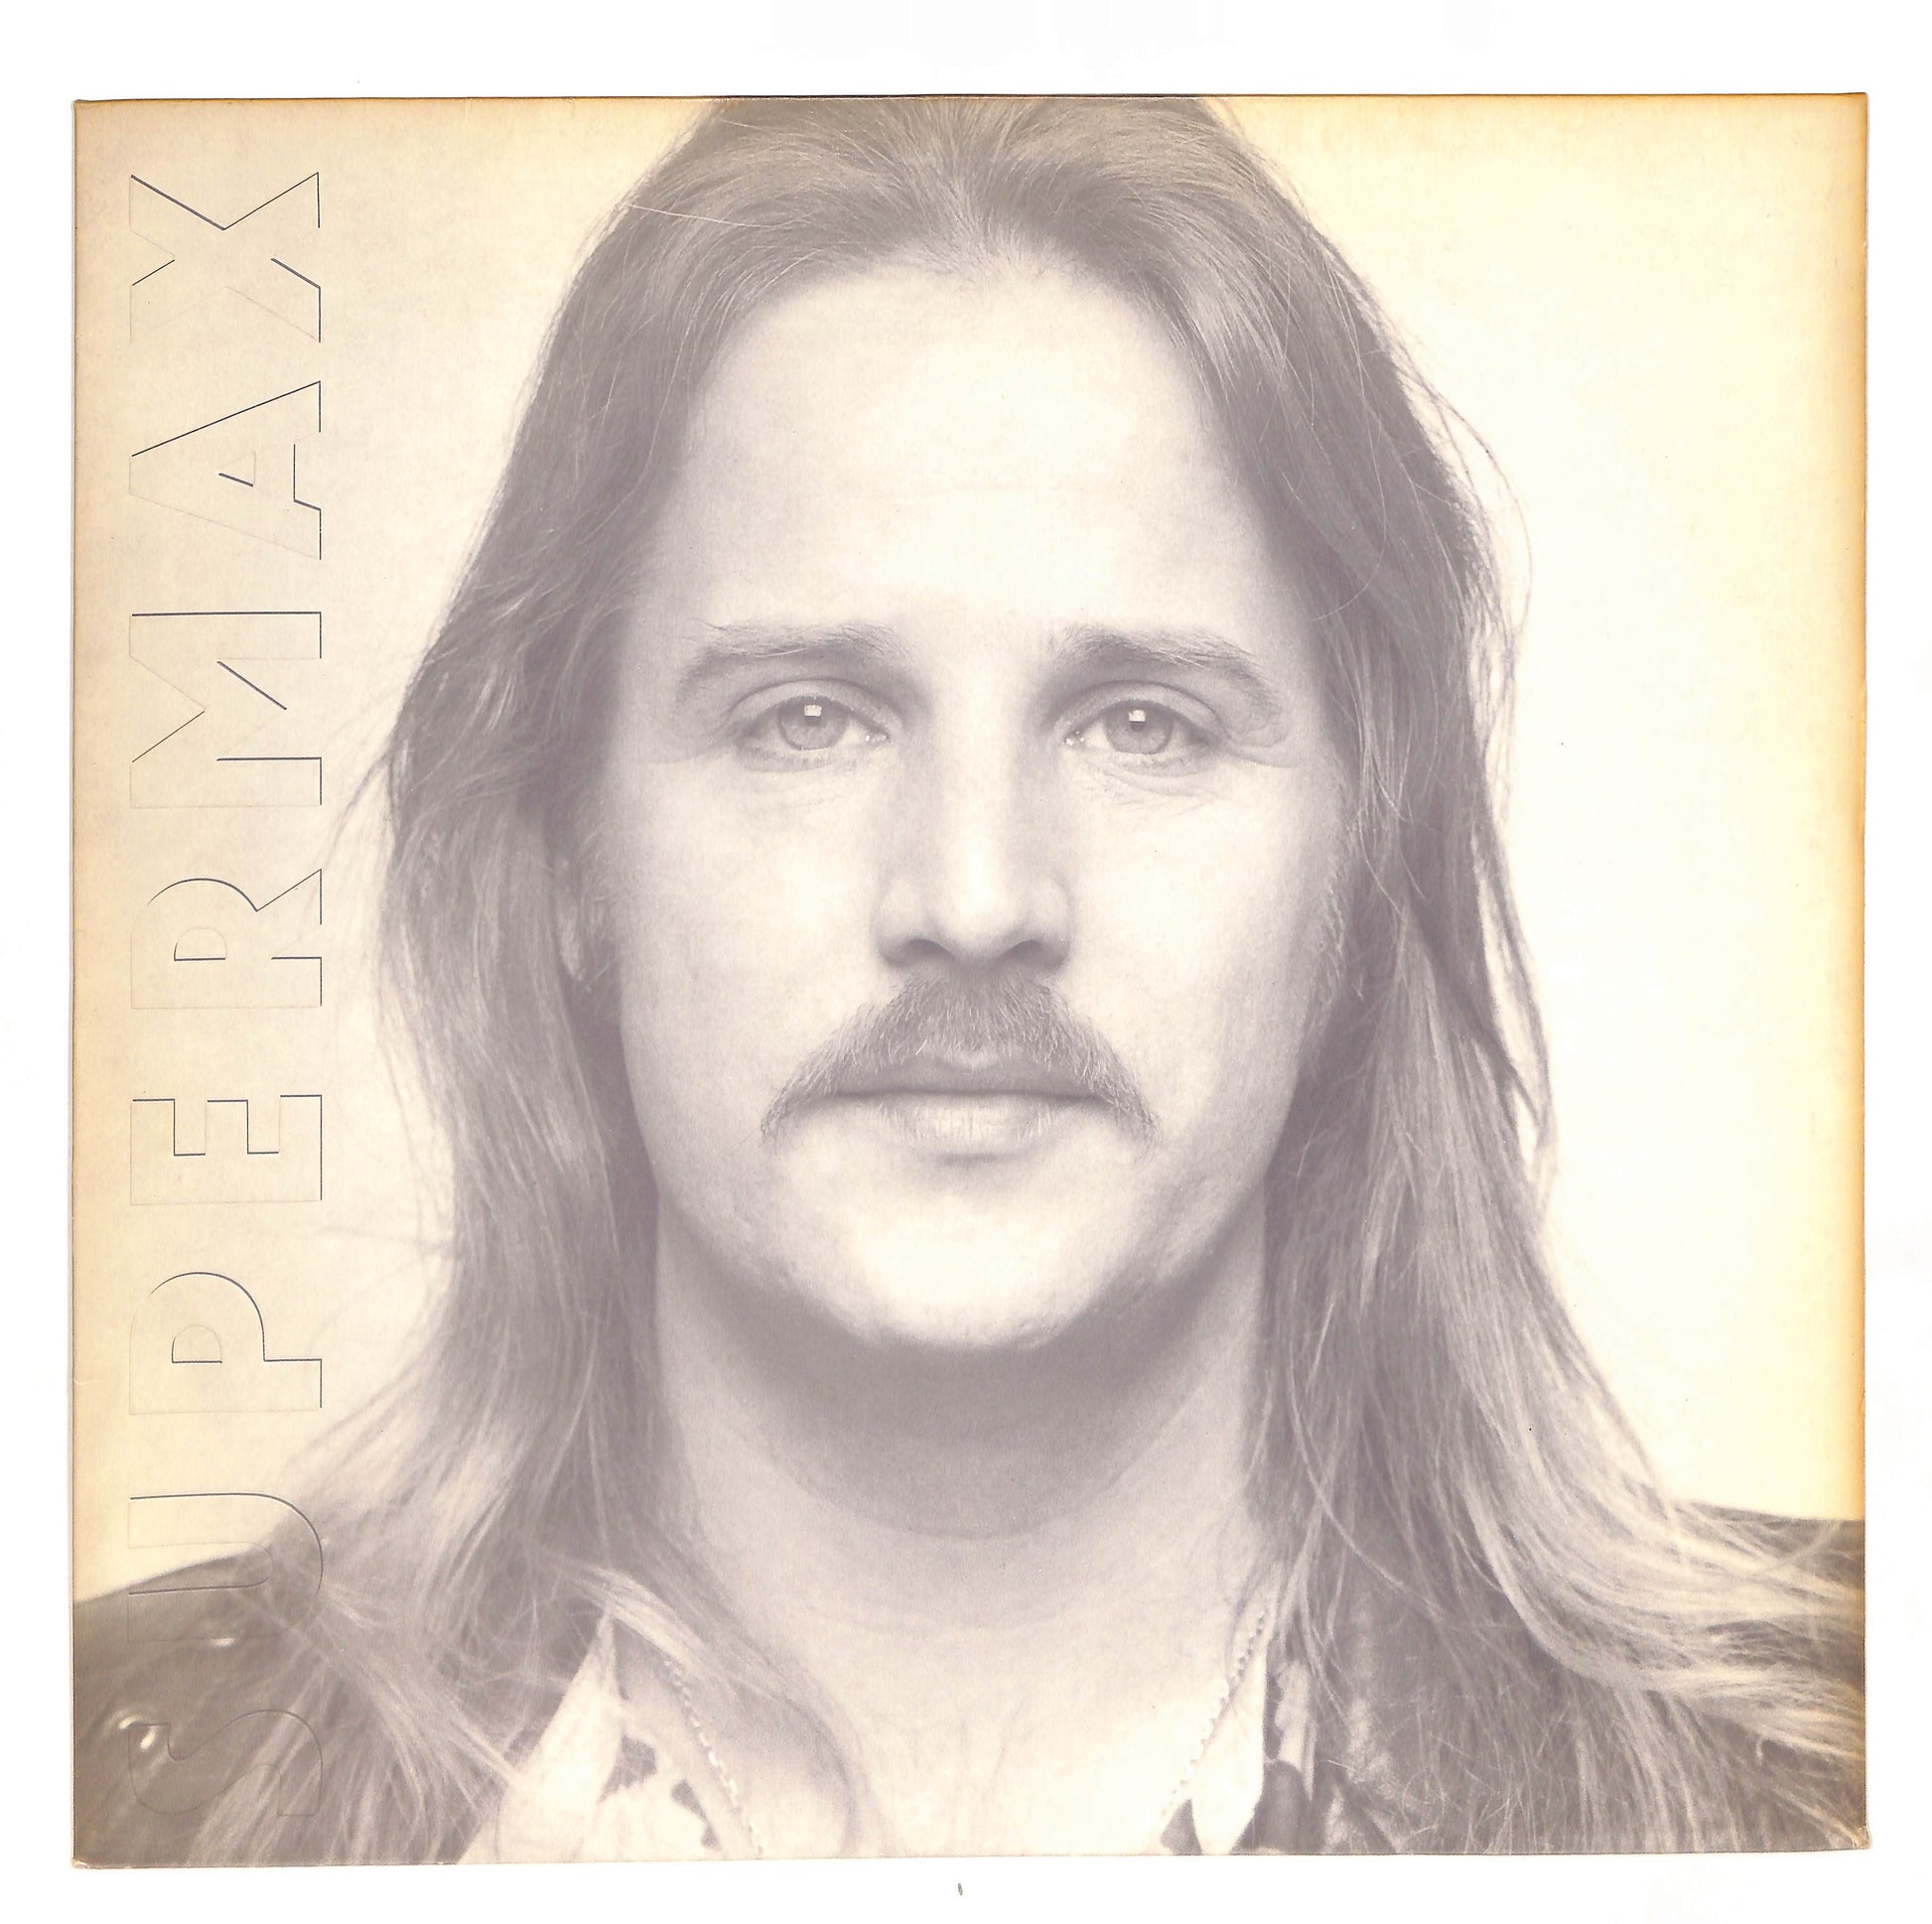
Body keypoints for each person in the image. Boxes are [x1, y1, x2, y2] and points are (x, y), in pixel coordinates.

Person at [74, 94, 1864, 1862]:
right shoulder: (97, 1787)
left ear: (1358, 866)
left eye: (1143, 722)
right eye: (807, 718)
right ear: (566, 852)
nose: (977, 894)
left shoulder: (1853, 1778)